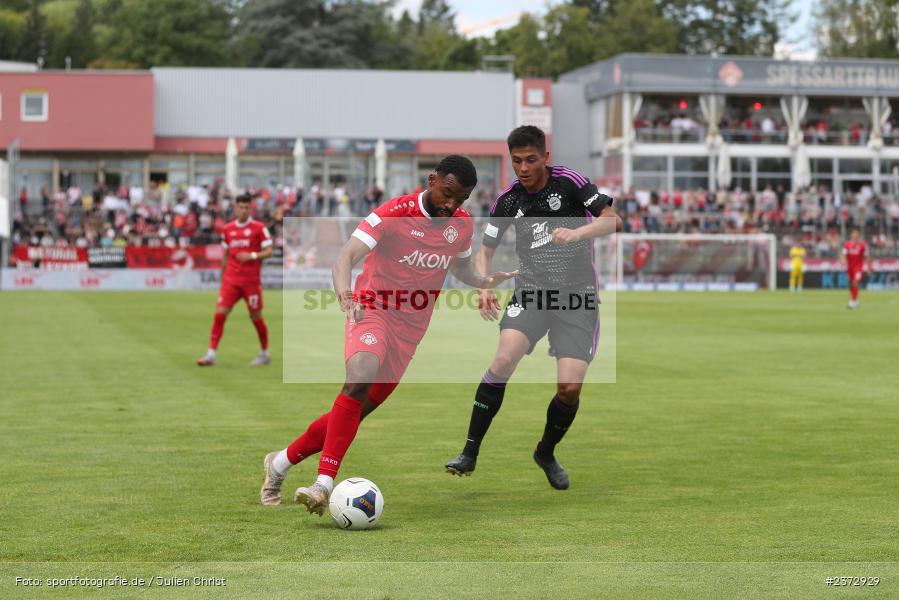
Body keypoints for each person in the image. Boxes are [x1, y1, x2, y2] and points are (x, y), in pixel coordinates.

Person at [259, 155, 515, 513]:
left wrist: (486, 281)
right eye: (448, 193)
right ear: (432, 180)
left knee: (354, 410)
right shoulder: (393, 214)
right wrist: (346, 296)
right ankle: (322, 484)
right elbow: (344, 258)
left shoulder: (462, 225)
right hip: (371, 308)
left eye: (462, 199)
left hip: (411, 330)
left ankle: (280, 463)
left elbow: (461, 269)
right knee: (358, 377)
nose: (452, 204)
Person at [445, 125, 621, 490]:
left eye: (530, 160)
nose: (523, 168)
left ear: (545, 157)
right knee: (503, 360)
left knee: (569, 389)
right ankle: (469, 452)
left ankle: (546, 451)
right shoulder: (508, 200)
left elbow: (611, 220)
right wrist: (482, 284)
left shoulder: (570, 182)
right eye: (516, 161)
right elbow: (486, 251)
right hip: (532, 292)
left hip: (577, 297)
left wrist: (577, 232)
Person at [196, 193, 273, 366]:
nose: (244, 210)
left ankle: (264, 353)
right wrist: (222, 279)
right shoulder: (228, 229)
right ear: (236, 207)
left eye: (247, 207)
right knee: (220, 314)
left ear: (250, 208)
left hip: (251, 281)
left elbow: (269, 251)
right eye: (241, 207)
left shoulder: (259, 228)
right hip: (231, 281)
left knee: (255, 316)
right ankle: (211, 354)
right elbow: (225, 255)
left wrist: (252, 255)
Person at [842, 227, 871, 309]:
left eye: (857, 233)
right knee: (851, 284)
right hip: (850, 268)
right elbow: (843, 254)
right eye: (854, 233)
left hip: (858, 268)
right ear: (851, 234)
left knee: (855, 282)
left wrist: (869, 268)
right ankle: (856, 301)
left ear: (859, 235)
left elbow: (867, 257)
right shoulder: (847, 244)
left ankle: (853, 301)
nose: (855, 235)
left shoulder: (862, 245)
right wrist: (843, 261)